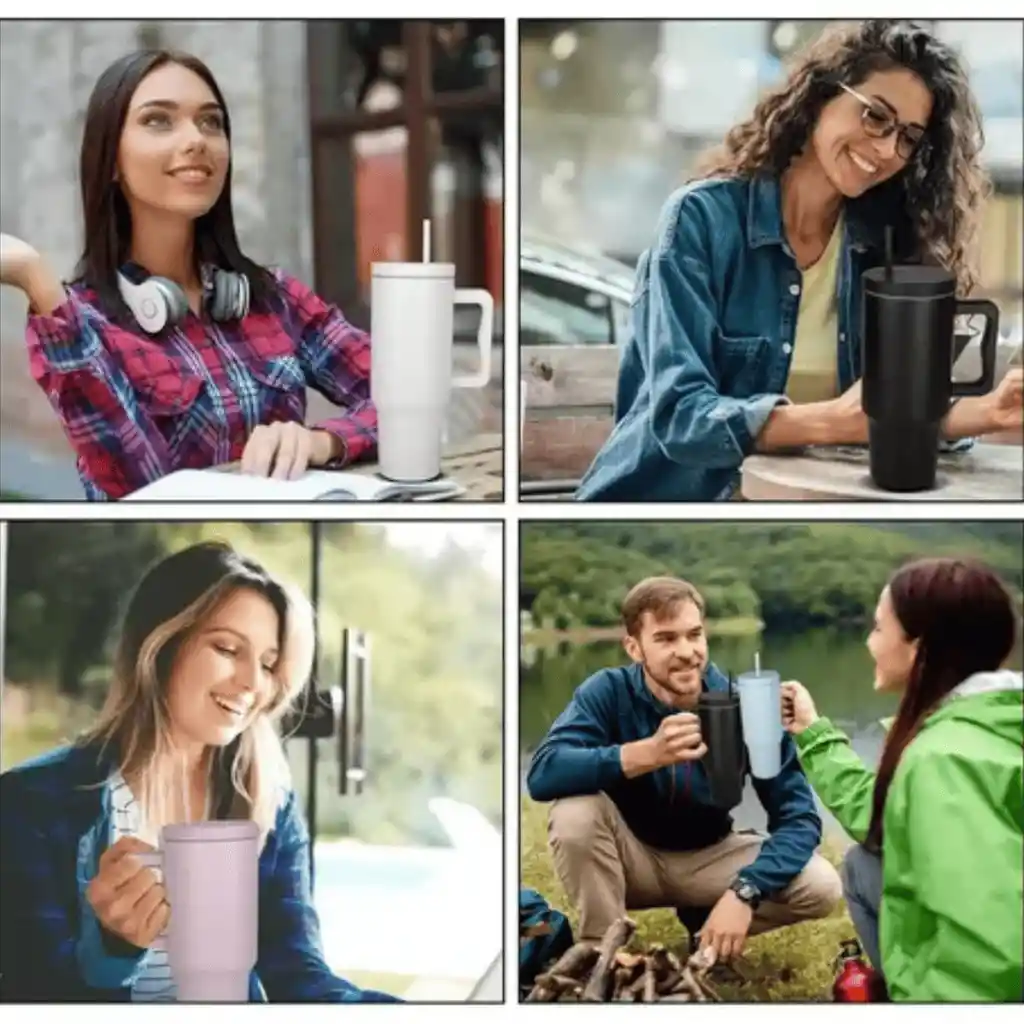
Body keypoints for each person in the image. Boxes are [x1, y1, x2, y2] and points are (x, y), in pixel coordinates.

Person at [577, 20, 1023, 501]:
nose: (888, 149)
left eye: (909, 138)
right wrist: (831, 420)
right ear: (821, 97)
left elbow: (882, 412)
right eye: (876, 116)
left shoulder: (881, 248)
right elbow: (681, 417)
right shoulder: (702, 221)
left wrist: (988, 412)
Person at [0, 541, 399, 1002]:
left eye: (269, 664)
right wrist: (110, 949)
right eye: (228, 649)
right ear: (161, 645)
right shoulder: (29, 802)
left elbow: (298, 976)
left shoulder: (271, 803)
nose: (253, 683)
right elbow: (28, 992)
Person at [0, 50, 376, 501]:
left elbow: (407, 403)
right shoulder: (78, 325)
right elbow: (140, 489)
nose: (196, 139)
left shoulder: (275, 298)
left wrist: (323, 441)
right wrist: (34, 278)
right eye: (159, 120)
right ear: (112, 159)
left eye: (211, 122)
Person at [526, 576, 841, 959]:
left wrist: (746, 890)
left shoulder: (748, 704)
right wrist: (647, 753)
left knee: (821, 885)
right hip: (630, 861)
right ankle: (602, 952)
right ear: (634, 647)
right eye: (666, 638)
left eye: (695, 635)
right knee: (574, 812)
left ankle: (707, 928)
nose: (687, 651)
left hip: (711, 857)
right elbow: (544, 772)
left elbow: (799, 820)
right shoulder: (607, 691)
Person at [782, 556, 1023, 1002]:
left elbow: (988, 944)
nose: (869, 643)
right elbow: (885, 817)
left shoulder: (945, 759)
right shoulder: (991, 719)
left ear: (918, 646)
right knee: (863, 863)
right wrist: (813, 734)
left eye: (877, 628)